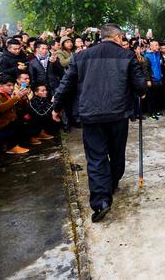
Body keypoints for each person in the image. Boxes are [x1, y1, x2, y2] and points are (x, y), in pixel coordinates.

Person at [52, 24, 147, 223]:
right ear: (118, 37)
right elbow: (140, 84)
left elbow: (66, 84)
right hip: (118, 114)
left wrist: (57, 107)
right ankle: (111, 184)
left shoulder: (81, 56)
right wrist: (142, 90)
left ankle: (102, 200)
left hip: (91, 114)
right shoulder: (126, 55)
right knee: (116, 151)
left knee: (96, 158)